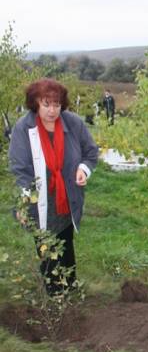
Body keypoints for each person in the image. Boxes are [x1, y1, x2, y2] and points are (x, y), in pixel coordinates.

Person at [9, 78, 99, 296]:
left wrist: (83, 169)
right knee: (46, 246)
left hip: (66, 196)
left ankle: (70, 287)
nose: (52, 110)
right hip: (38, 199)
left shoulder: (73, 123)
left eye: (57, 104)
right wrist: (23, 202)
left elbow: (90, 152)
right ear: (35, 103)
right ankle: (54, 293)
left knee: (66, 241)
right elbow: (20, 169)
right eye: (46, 104)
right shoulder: (24, 128)